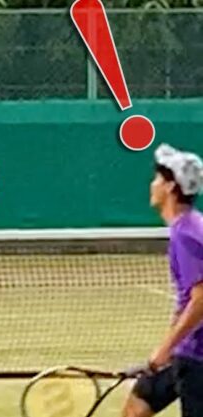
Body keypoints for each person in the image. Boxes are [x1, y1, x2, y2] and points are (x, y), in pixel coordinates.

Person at [122, 143, 203, 417]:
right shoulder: (191, 225)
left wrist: (165, 349)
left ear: (170, 187)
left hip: (197, 357)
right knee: (136, 409)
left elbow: (200, 300)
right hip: (184, 350)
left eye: (157, 178)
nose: (152, 184)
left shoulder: (187, 235)